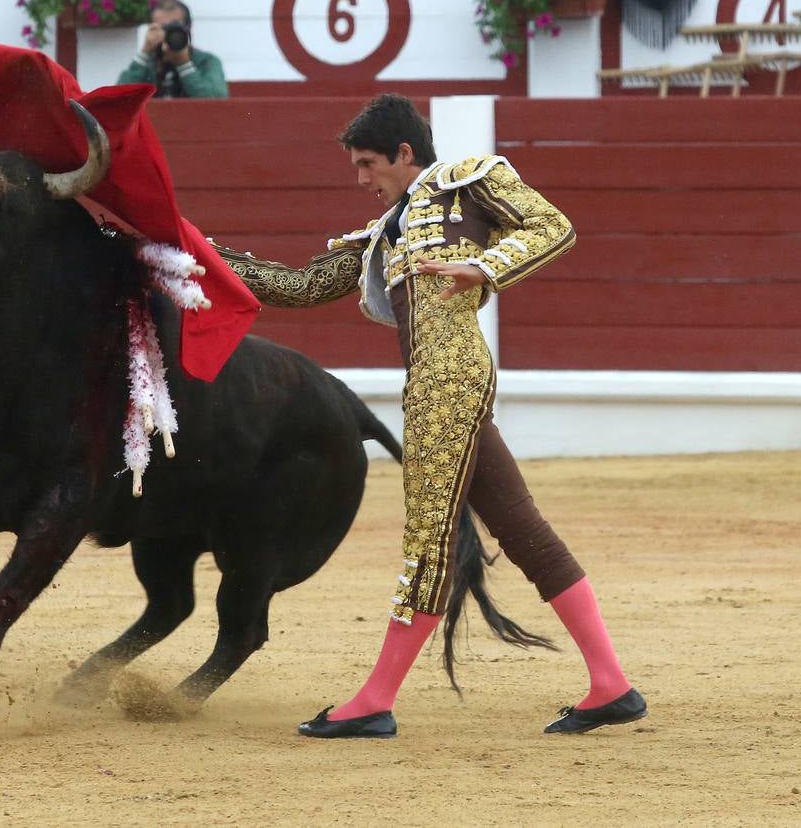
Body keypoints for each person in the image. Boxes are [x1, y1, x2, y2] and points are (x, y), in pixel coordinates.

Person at [212, 94, 645, 737]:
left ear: (404, 153)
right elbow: (301, 286)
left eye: (367, 164)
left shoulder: (467, 183)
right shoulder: (385, 231)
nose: (361, 180)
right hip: (432, 383)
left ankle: (374, 700)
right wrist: (198, 256)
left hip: (449, 380)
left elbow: (552, 226)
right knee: (522, 531)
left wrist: (484, 266)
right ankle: (611, 685)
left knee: (429, 541)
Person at [116, 0, 227, 99]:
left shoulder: (207, 62)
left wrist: (184, 64)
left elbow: (216, 101)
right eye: (163, 28)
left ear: (188, 28)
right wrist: (145, 51)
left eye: (174, 28)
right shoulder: (147, 64)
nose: (169, 33)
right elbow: (119, 98)